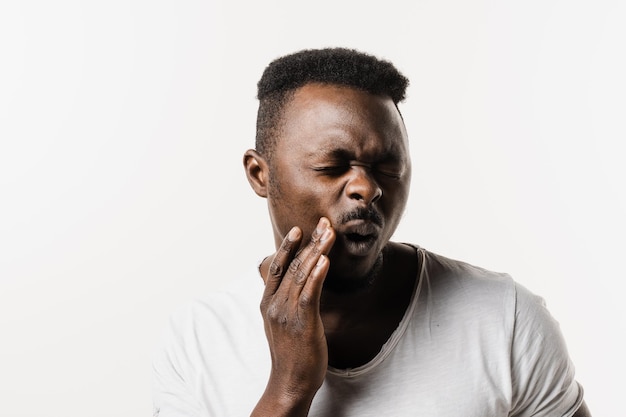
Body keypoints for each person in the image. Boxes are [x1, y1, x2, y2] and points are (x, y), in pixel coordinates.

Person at [152, 47, 591, 417]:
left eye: (386, 166)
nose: (367, 187)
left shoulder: (503, 319)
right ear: (259, 174)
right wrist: (288, 389)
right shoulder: (199, 339)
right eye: (332, 167)